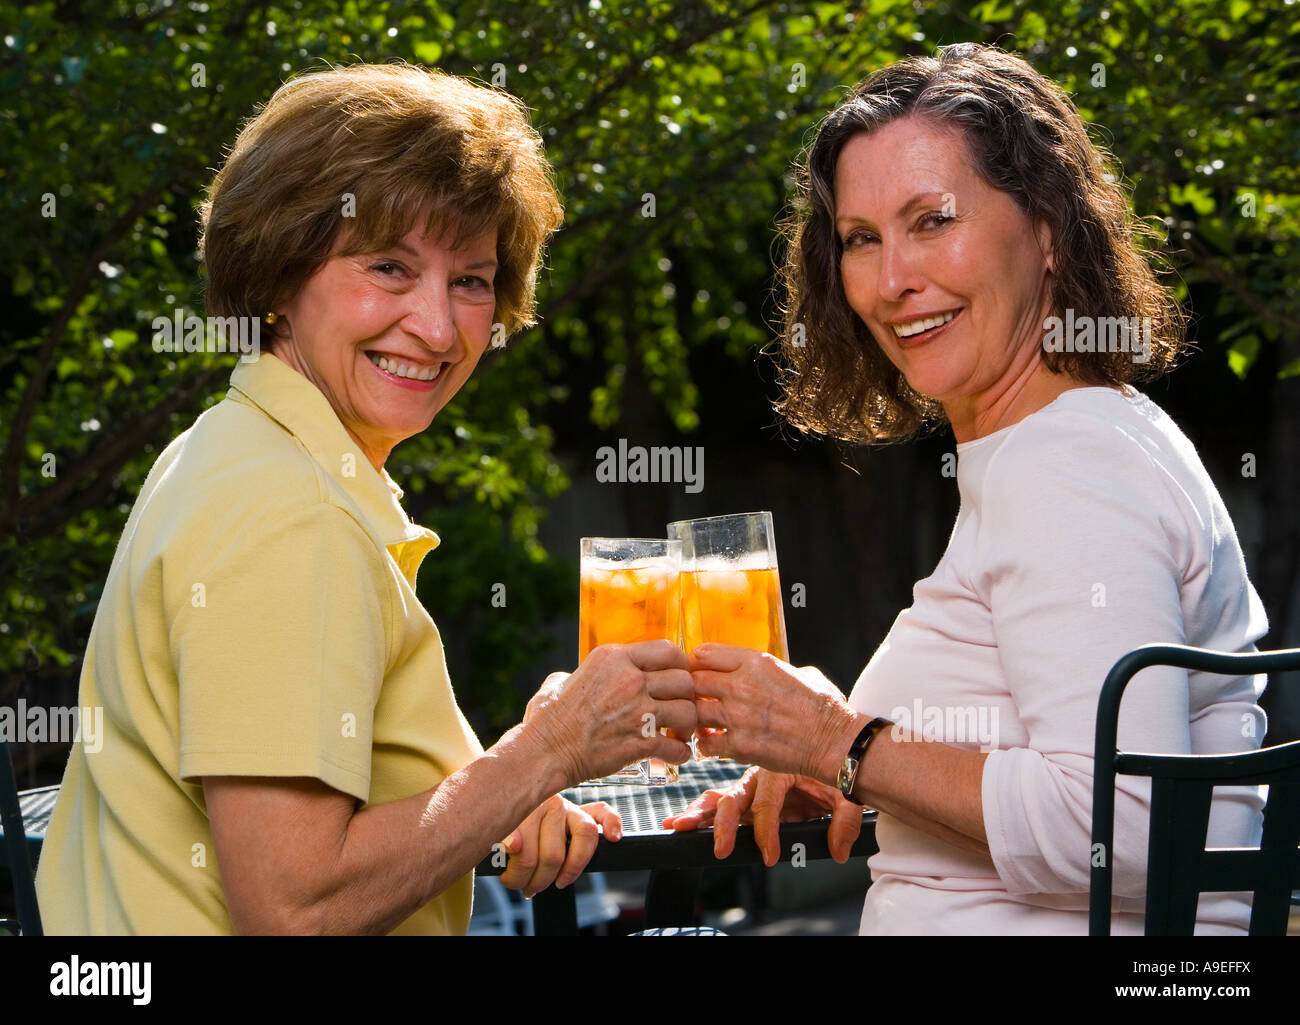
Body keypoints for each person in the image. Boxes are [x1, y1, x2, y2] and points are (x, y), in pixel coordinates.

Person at [35, 63, 696, 935]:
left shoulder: (232, 448)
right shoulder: (290, 513)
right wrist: (549, 752)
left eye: (471, 278)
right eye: (388, 266)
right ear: (277, 276)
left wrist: (506, 777)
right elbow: (294, 908)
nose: (437, 325)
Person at [664, 43, 1269, 935]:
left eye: (933, 220)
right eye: (862, 239)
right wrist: (848, 764)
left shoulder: (1070, 464)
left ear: (1049, 230)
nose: (893, 278)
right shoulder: (1071, 439)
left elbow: (1128, 829)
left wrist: (839, 743)